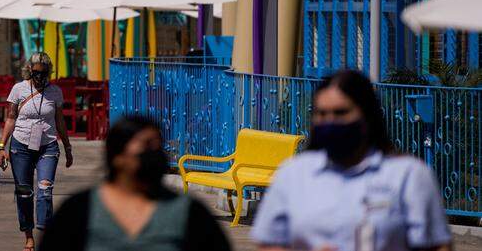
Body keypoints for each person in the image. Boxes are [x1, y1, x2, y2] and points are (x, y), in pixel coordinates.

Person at [252, 70, 452, 251]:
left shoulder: (408, 175)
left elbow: (437, 244)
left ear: (367, 115)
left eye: (341, 113)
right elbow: (269, 242)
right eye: (322, 114)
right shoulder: (293, 174)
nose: (330, 121)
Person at [39, 114, 232, 251]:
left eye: (158, 145)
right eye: (146, 145)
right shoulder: (78, 211)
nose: (155, 152)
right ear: (118, 156)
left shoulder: (190, 213)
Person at [0, 52, 73, 251]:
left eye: (44, 72)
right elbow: (10, 118)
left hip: (48, 145)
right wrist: (2, 146)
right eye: (36, 72)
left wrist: (67, 147)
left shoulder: (55, 92)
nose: (40, 76)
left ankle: (45, 233)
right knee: (24, 193)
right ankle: (28, 236)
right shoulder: (18, 89)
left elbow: (60, 120)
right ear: (29, 70)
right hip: (21, 146)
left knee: (45, 191)